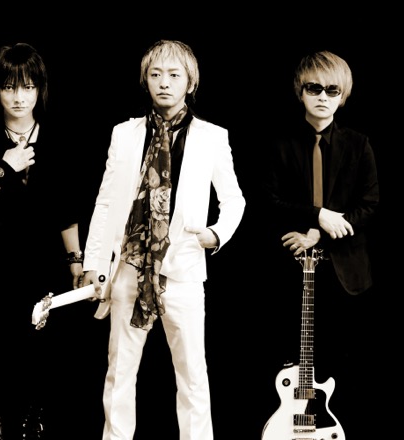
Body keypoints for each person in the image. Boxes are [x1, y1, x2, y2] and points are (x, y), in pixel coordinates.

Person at [81, 39, 246, 440]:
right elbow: (105, 202)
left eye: (174, 75)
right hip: (129, 267)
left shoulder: (211, 137)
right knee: (119, 372)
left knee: (192, 376)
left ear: (190, 82)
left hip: (183, 268)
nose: (164, 83)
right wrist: (94, 264)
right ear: (146, 81)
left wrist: (215, 234)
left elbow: (234, 200)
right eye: (156, 74)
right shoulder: (125, 134)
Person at [0, 42, 85, 440]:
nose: (19, 97)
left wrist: (75, 261)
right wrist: (4, 167)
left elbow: (66, 211)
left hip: (41, 263)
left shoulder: (58, 139)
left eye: (28, 87)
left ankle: (34, 420)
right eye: (9, 87)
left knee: (39, 347)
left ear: (40, 89)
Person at [261, 50, 380, 438]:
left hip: (345, 271)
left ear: (343, 95)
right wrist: (318, 214)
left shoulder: (359, 144)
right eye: (314, 88)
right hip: (290, 269)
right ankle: (294, 430)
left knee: (343, 363)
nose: (323, 97)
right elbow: (269, 201)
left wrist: (319, 230)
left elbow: (370, 204)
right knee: (288, 360)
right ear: (300, 91)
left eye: (332, 90)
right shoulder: (280, 144)